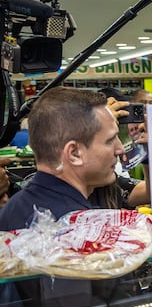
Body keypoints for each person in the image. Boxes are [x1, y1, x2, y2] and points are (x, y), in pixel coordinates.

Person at [0, 87, 124, 230]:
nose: (119, 149)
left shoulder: (13, 208)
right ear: (74, 153)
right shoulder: (81, 231)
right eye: (110, 140)